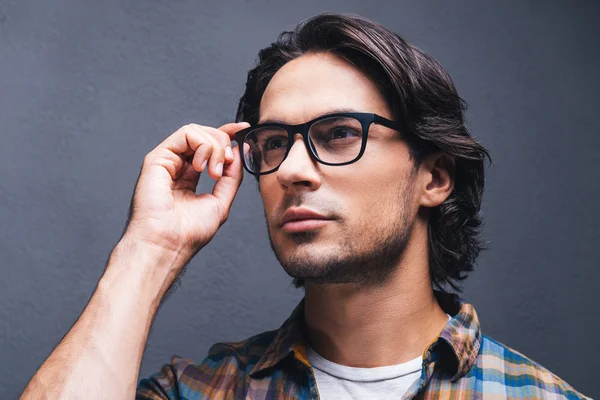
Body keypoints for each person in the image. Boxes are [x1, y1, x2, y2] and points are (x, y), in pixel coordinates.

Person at [20, 12, 589, 400]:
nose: (291, 170)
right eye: (272, 143)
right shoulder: (198, 391)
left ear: (434, 177)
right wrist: (150, 251)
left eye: (339, 133)